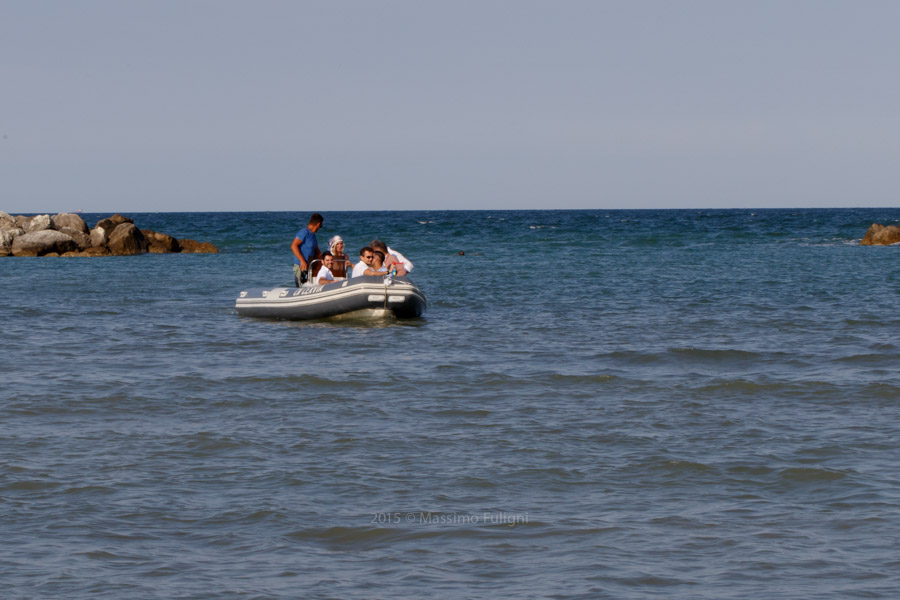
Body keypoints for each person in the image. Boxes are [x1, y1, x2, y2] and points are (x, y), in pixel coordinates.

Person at [291, 213, 323, 285]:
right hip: (301, 266)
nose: (319, 228)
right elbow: (293, 246)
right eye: (320, 226)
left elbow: (318, 252)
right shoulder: (304, 232)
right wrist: (302, 260)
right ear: (318, 224)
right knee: (300, 288)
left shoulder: (313, 236)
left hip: (309, 268)